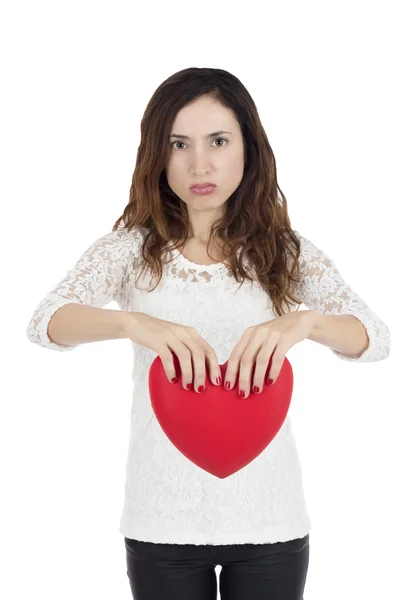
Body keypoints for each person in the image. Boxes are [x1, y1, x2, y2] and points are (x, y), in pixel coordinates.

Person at [26, 67, 391, 600]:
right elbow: (45, 321)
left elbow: (375, 338)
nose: (200, 164)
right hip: (160, 519)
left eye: (218, 140)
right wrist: (134, 322)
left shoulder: (284, 251)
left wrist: (305, 323)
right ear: (158, 154)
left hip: (270, 519)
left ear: (249, 146)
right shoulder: (130, 250)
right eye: (179, 144)